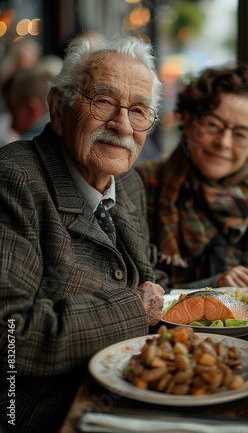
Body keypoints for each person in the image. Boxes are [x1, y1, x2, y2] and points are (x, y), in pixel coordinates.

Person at [0, 34, 165, 433]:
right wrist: (132, 310)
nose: (123, 126)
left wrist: (221, 292)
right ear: (58, 108)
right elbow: (10, 335)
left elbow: (149, 287)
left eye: (140, 111)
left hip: (126, 389)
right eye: (104, 102)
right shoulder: (14, 179)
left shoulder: (126, 185)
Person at [136, 63, 248, 290]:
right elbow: (135, 284)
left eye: (241, 134)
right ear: (187, 121)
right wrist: (214, 286)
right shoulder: (144, 183)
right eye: (213, 125)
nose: (224, 143)